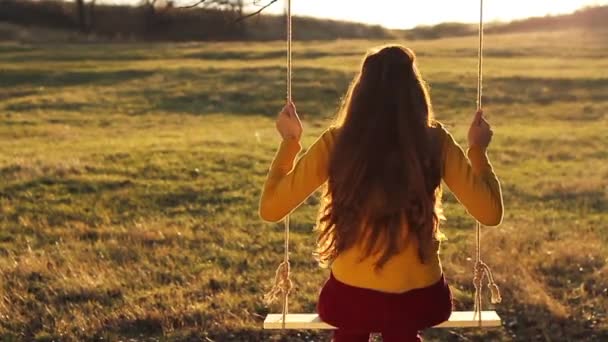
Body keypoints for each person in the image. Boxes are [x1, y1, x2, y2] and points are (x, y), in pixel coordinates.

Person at [259, 45, 503, 342]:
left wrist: (290, 142)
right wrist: (477, 150)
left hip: (351, 300)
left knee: (351, 320)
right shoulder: (434, 141)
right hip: (420, 300)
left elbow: (271, 209)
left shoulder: (337, 143)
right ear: (415, 94)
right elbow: (490, 214)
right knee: (401, 323)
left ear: (361, 93)